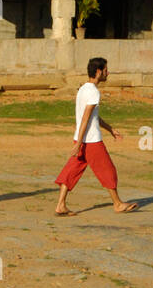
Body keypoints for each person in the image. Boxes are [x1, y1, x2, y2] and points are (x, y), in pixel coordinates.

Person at [54, 56, 138, 215]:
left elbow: (93, 117)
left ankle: (60, 205)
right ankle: (118, 204)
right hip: (91, 141)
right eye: (106, 70)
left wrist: (110, 129)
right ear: (99, 72)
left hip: (81, 139)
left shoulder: (83, 89)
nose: (108, 73)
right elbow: (86, 119)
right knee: (108, 170)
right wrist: (79, 144)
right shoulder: (93, 92)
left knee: (71, 171)